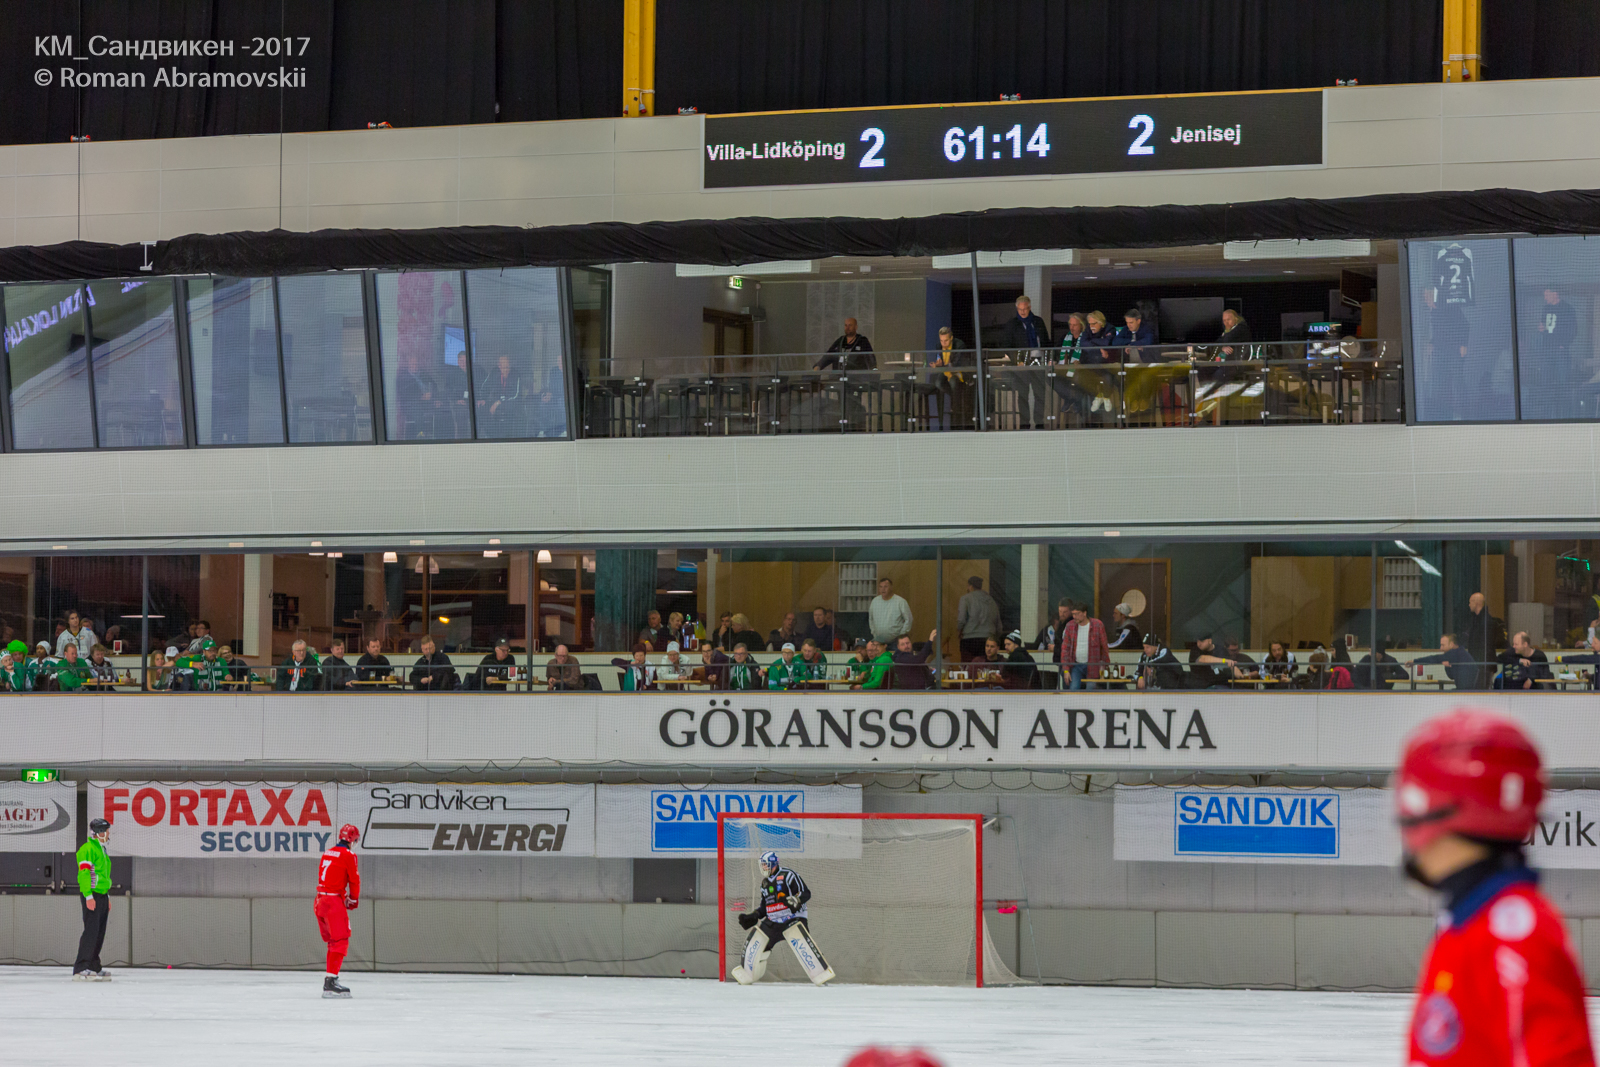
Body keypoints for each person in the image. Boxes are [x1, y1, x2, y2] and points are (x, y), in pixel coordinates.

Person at [1395, 709, 1594, 1065]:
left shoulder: (1513, 937)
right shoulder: (1468, 921)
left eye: (1414, 801)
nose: (1405, 823)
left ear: (1457, 809)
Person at [732, 851, 833, 986]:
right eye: (762, 865)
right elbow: (764, 907)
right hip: (772, 922)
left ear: (773, 864)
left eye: (765, 864)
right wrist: (754, 915)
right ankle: (748, 973)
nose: (763, 867)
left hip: (793, 918)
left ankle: (821, 973)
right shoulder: (764, 883)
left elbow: (806, 893)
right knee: (757, 942)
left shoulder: (788, 875)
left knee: (803, 944)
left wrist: (796, 900)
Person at [314, 823, 362, 999]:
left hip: (320, 900)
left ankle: (330, 979)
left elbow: (329, 877)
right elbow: (354, 880)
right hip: (333, 903)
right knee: (340, 941)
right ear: (352, 839)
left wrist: (343, 896)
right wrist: (353, 899)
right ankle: (331, 982)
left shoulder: (327, 852)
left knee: (332, 942)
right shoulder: (349, 855)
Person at [996, 295, 1052, 429]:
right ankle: (1024, 424)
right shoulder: (1012, 324)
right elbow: (1007, 345)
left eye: (1025, 309)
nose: (1022, 312)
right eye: (1020, 309)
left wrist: (1050, 358)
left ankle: (1039, 423)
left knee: (1040, 394)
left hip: (1038, 361)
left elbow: (1046, 342)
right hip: (1021, 364)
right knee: (1022, 394)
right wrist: (1017, 360)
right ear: (1017, 309)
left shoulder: (1038, 322)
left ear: (1029, 307)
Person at [73, 817, 113, 980]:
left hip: (101, 895)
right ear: (99, 832)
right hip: (92, 894)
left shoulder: (101, 849)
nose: (109, 834)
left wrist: (107, 896)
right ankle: (81, 967)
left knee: (99, 932)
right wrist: (88, 896)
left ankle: (93, 965)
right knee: (91, 931)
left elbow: (104, 875)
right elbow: (84, 874)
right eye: (107, 831)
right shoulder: (87, 849)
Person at [926, 326, 973, 430]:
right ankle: (954, 398)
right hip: (945, 370)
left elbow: (957, 363)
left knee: (953, 381)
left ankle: (956, 406)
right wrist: (938, 364)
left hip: (958, 371)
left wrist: (941, 365)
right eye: (941, 341)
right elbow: (939, 357)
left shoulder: (959, 345)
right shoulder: (939, 346)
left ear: (951, 338)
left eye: (946, 340)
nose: (943, 343)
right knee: (938, 383)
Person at [1060, 604, 1109, 690]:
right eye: (1073, 614)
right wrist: (1066, 670)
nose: (1074, 616)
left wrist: (1105, 666)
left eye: (1077, 614)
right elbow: (1065, 649)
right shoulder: (1070, 626)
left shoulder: (1098, 625)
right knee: (1073, 688)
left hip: (1093, 665)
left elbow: (1104, 647)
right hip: (1076, 665)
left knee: (1091, 688)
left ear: (1084, 613)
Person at [1461, 592, 1503, 689]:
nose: (1469, 605)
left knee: (1481, 691)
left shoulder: (1486, 622)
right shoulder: (1476, 620)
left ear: (1476, 603)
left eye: (1470, 602)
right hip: (1477, 664)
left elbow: (1488, 646)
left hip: (1484, 665)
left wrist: (1489, 666)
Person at [954, 576, 999, 663]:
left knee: (968, 666)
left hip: (969, 639)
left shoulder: (966, 598)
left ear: (970, 586)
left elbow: (961, 619)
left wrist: (959, 630)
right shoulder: (992, 601)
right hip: (988, 638)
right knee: (985, 666)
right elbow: (998, 624)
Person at [477, 354, 524, 436]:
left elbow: (516, 395)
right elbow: (485, 386)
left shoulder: (516, 374)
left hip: (510, 403)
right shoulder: (494, 372)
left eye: (507, 367)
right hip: (495, 401)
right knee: (481, 410)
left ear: (510, 365)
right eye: (502, 366)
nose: (505, 369)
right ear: (499, 365)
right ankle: (489, 436)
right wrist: (482, 398)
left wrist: (498, 403)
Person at [868, 578, 912, 646]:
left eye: (885, 586)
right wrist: (874, 633)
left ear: (891, 587)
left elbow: (908, 619)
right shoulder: (875, 601)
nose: (883, 589)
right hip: (879, 641)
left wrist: (901, 635)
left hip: (896, 642)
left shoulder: (900, 602)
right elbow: (871, 619)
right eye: (881, 587)